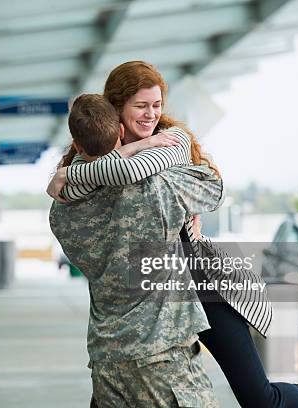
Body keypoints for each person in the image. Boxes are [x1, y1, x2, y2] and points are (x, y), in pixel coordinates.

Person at [48, 61, 298, 408]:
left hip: (201, 284)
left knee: (258, 398)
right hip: (154, 297)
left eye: (156, 105)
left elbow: (137, 172)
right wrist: (76, 173)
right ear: (116, 110)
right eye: (141, 106)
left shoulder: (170, 141)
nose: (150, 115)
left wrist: (72, 175)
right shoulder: (90, 162)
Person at [49, 95, 224, 407]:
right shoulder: (158, 187)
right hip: (162, 357)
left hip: (106, 361)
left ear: (76, 144)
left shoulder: (61, 211)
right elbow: (213, 187)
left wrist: (75, 172)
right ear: (120, 130)